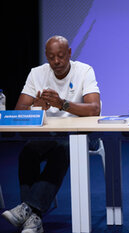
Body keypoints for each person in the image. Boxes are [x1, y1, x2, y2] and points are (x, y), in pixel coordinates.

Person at [1, 35, 100, 233]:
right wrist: (36, 107)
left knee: (63, 149)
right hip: (49, 134)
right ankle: (33, 218)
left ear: (70, 53)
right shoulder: (37, 73)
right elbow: (18, 109)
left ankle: (28, 208)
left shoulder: (84, 71)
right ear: (46, 56)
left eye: (61, 56)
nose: (56, 62)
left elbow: (94, 109)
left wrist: (62, 104)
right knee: (28, 152)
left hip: (80, 135)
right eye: (52, 57)